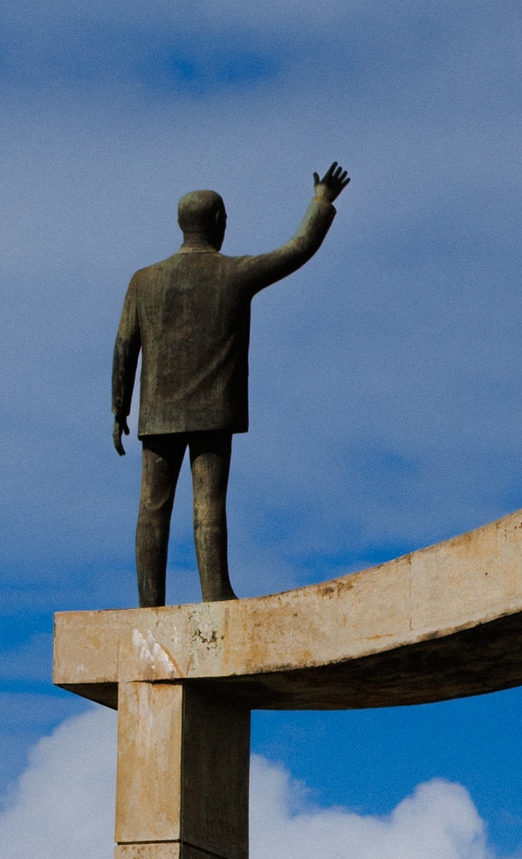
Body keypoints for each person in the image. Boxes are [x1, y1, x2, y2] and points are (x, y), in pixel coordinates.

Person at [111, 166, 349, 606]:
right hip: (213, 410)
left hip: (158, 412)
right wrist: (321, 200)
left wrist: (118, 408)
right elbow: (296, 250)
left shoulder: (143, 280)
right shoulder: (234, 273)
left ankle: (149, 602)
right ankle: (215, 591)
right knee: (208, 504)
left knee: (152, 508)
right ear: (219, 221)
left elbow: (125, 344)